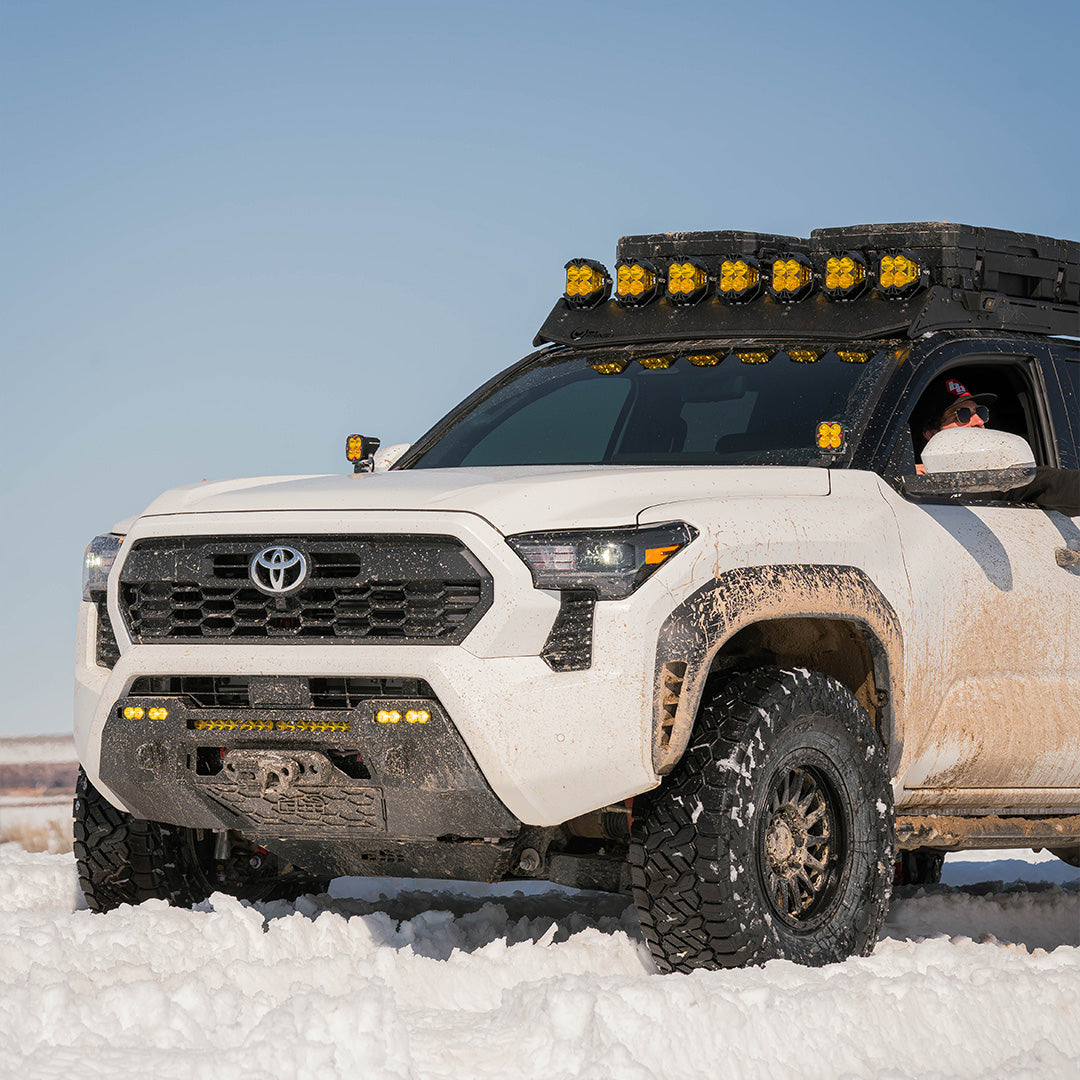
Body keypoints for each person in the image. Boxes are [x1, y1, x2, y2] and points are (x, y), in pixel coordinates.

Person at [915, 374, 1080, 517]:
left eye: (981, 412)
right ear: (930, 433)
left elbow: (1050, 482)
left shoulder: (995, 478)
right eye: (962, 415)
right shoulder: (902, 483)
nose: (979, 421)